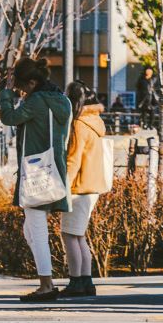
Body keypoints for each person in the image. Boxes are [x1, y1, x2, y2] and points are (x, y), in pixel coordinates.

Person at [0, 56, 71, 303]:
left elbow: (9, 118)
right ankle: (45, 280)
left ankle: (46, 286)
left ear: (31, 82)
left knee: (37, 231)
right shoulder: (63, 100)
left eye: (20, 86)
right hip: (55, 169)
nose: (19, 90)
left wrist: (6, 93)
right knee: (30, 229)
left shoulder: (37, 101)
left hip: (37, 173)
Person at [61, 81, 111, 298]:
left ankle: (76, 281)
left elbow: (73, 159)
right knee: (79, 236)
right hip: (93, 186)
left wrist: (63, 186)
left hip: (79, 187)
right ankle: (86, 281)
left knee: (70, 235)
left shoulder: (79, 125)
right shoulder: (95, 121)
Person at [135, 66, 161, 131]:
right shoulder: (141, 79)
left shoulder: (155, 79)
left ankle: (151, 125)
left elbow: (158, 88)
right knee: (144, 112)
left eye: (150, 70)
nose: (148, 72)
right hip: (143, 98)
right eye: (147, 70)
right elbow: (138, 89)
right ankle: (145, 124)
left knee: (152, 112)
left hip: (152, 98)